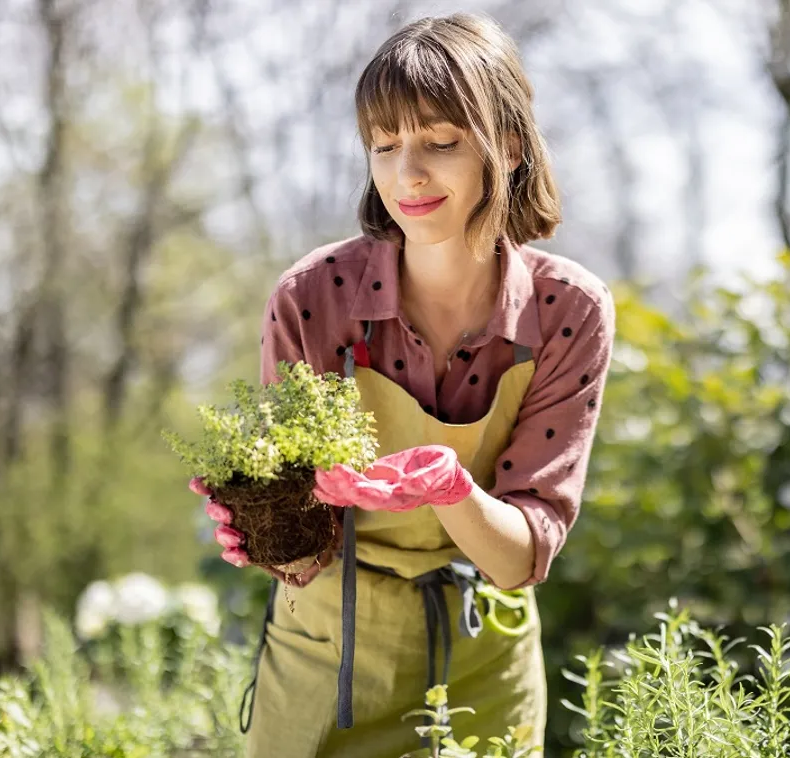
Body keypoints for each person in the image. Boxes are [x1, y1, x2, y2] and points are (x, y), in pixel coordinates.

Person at [187, 13, 614, 758]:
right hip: (330, 649)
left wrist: (450, 490)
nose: (406, 174)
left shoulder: (566, 311)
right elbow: (298, 543)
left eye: (440, 143)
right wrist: (263, 526)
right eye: (384, 147)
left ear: (507, 148)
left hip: (484, 657)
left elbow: (518, 558)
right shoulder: (314, 298)